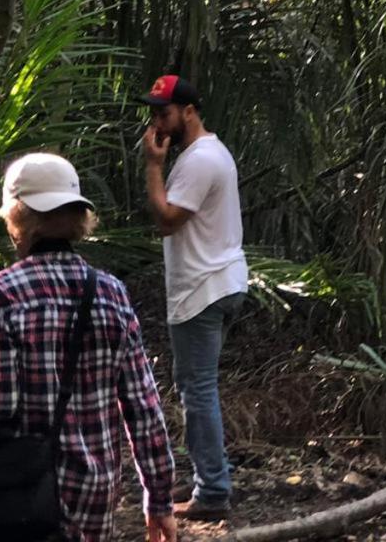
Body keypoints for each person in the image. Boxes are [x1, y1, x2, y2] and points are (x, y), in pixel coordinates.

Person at [0, 152, 176, 542]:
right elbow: (143, 407)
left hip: (22, 496)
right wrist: (158, 498)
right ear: (79, 219)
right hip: (95, 495)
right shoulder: (112, 293)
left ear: (17, 219)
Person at [140, 75, 248, 522]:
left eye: (163, 113)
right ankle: (210, 476)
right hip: (215, 282)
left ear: (188, 111)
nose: (156, 122)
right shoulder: (205, 155)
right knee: (197, 388)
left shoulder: (201, 159)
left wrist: (152, 166)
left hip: (203, 288)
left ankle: (213, 492)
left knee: (197, 391)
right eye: (153, 113)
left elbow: (167, 219)